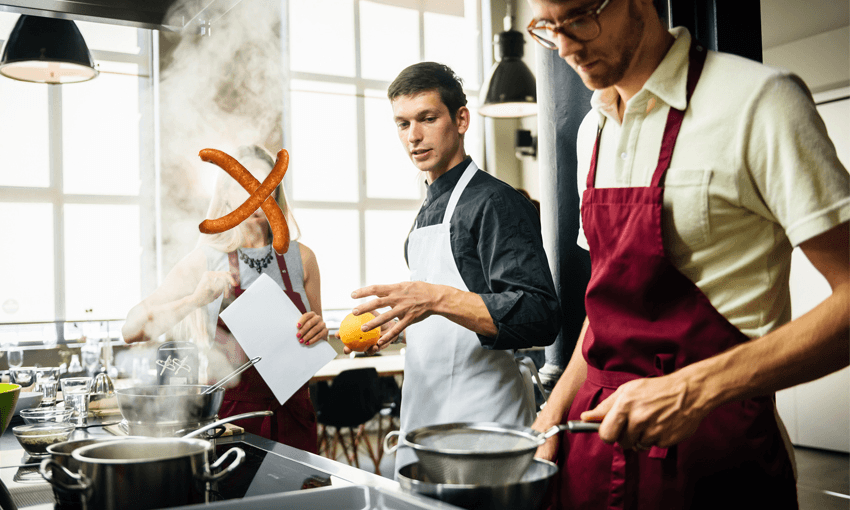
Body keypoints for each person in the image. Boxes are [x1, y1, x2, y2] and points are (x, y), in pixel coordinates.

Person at [525, 0, 850, 508]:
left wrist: (695, 388)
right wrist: (553, 411)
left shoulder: (759, 102)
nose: (564, 46)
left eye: (580, 17)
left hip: (717, 460)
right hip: (593, 446)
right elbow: (606, 308)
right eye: (547, 27)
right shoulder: (592, 131)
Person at [344, 62, 562, 474]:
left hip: (484, 422)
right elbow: (443, 319)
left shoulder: (495, 203)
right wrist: (396, 324)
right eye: (403, 123)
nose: (414, 135)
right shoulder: (427, 209)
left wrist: (434, 297)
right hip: (425, 419)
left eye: (428, 118)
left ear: (461, 119)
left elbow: (539, 316)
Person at [122, 144, 328, 453]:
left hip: (296, 417)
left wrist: (318, 332)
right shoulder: (206, 259)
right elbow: (131, 329)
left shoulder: (303, 259)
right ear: (227, 194)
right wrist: (194, 299)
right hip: (234, 424)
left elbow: (313, 343)